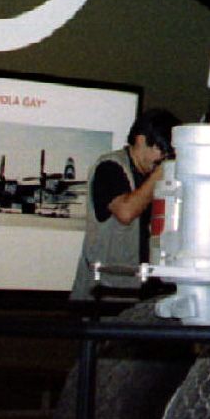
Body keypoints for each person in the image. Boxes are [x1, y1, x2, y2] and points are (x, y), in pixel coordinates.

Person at [71, 109, 178, 306]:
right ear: (140, 140)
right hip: (106, 294)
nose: (164, 157)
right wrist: (163, 171)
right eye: (161, 150)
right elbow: (125, 212)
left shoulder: (152, 176)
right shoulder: (110, 167)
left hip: (141, 291)